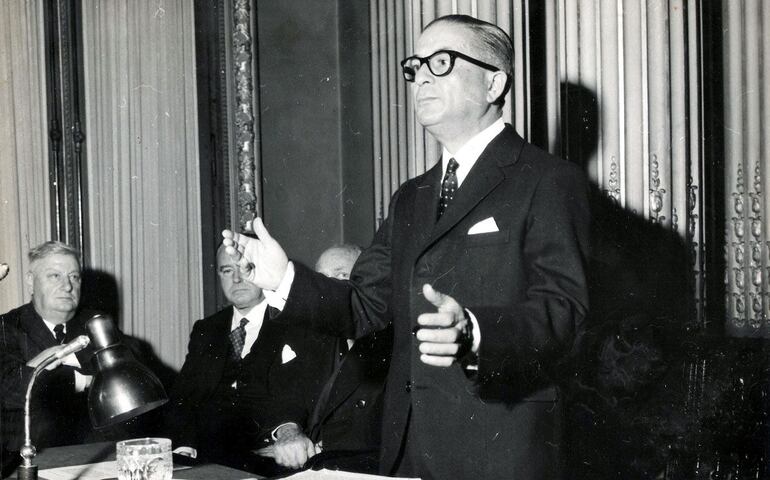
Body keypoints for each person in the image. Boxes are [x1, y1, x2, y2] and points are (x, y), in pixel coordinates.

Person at [224, 14, 590, 479]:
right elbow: (363, 306)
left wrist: (477, 331)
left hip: (499, 453)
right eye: (416, 65)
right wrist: (284, 280)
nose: (421, 78)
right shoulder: (412, 197)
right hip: (408, 451)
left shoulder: (547, 179)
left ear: (494, 83)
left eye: (442, 62)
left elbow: (565, 312)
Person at [164, 243, 336, 474]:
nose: (236, 279)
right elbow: (184, 396)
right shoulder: (207, 328)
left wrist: (286, 431)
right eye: (227, 270)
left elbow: (303, 393)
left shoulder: (295, 322)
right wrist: (184, 448)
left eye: (245, 269)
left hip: (271, 457)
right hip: (206, 459)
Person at [268, 245, 392, 473]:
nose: (328, 286)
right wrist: (288, 430)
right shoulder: (311, 336)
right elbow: (288, 393)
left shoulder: (393, 345)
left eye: (341, 275)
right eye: (321, 278)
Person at [0, 242, 97, 476]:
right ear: (30, 281)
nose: (68, 286)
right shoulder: (6, 327)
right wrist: (81, 380)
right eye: (55, 276)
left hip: (92, 455)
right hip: (24, 460)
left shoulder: (96, 323)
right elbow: (9, 392)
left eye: (74, 276)